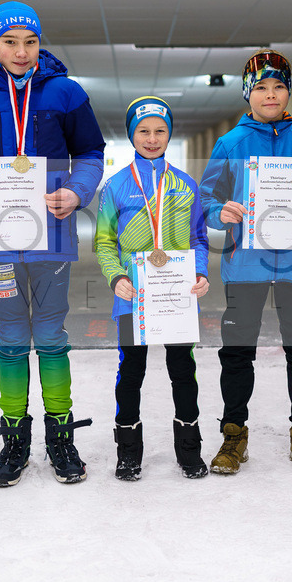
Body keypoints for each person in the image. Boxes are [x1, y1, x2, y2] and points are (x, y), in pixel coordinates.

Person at [0, 2, 105, 486]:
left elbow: (91, 152)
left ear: (39, 44)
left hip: (52, 232)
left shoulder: (66, 93)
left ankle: (60, 434)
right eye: (10, 42)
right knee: (10, 337)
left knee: (50, 334)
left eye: (30, 42)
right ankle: (14, 436)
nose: (21, 51)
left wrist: (77, 190)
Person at [199, 50, 292, 476]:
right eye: (260, 87)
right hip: (245, 265)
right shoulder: (230, 144)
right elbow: (205, 199)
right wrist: (219, 212)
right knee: (237, 351)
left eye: (278, 86)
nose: (270, 94)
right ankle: (233, 435)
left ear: (288, 92)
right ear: (247, 94)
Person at [94, 97, 210, 481]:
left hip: (177, 296)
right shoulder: (115, 186)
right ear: (132, 135)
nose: (152, 138)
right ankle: (128, 451)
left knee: (183, 371)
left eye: (160, 130)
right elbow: (104, 242)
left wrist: (200, 273)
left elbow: (199, 238)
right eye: (143, 131)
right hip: (134, 297)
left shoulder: (186, 185)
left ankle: (189, 450)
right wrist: (117, 277)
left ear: (169, 134)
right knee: (131, 372)